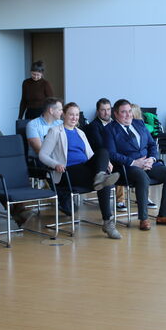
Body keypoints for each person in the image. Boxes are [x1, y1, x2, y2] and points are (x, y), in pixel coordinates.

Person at [39, 102, 122, 239]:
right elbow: (42, 155)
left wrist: (106, 162)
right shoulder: (55, 131)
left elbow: (90, 155)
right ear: (64, 115)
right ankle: (108, 221)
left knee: (103, 153)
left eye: (77, 115)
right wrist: (55, 165)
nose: (74, 117)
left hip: (84, 170)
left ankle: (108, 220)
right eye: (71, 114)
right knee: (104, 180)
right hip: (66, 172)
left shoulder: (81, 132)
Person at [103, 99, 166, 231]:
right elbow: (111, 153)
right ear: (115, 114)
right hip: (126, 167)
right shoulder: (110, 129)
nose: (128, 115)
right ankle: (143, 218)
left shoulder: (139, 124)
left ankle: (164, 215)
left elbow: (151, 145)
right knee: (141, 176)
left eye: (129, 111)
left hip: (147, 164)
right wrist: (134, 162)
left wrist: (152, 159)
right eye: (123, 112)